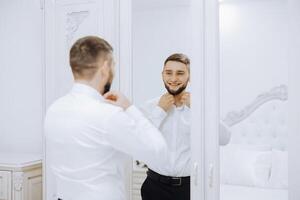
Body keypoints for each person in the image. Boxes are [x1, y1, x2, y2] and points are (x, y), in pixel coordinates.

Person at [44, 36, 169, 200]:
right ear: (105, 68)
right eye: (113, 65)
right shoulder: (108, 115)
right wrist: (130, 108)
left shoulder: (54, 109)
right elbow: (158, 152)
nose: (113, 71)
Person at [140, 53, 231, 200]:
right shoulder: (150, 107)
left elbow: (225, 138)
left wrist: (198, 110)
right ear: (162, 75)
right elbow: (139, 141)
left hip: (189, 190)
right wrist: (160, 111)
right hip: (154, 188)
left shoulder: (201, 107)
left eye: (180, 73)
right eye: (169, 73)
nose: (174, 79)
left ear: (189, 76)